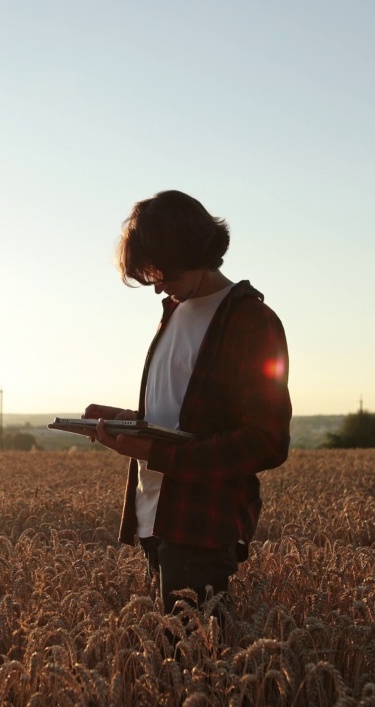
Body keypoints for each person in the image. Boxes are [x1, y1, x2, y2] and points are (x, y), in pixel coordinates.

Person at [84, 190, 291, 615]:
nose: (158, 285)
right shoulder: (174, 310)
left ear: (195, 251)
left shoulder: (250, 321)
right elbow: (180, 415)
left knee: (194, 669)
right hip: (154, 516)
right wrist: (127, 424)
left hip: (201, 525)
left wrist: (157, 452)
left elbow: (267, 442)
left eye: (163, 272)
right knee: (168, 669)